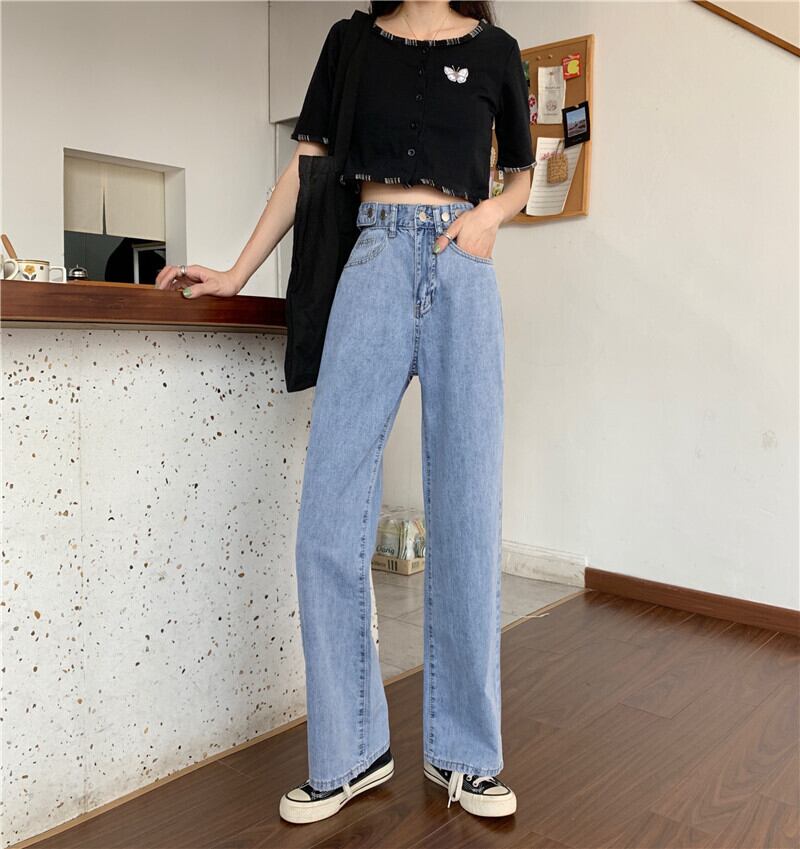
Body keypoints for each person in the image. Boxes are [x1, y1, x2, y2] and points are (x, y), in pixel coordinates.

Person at [156, 0, 534, 825]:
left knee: (468, 515)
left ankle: (466, 752)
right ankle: (352, 748)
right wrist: (236, 271)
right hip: (373, 260)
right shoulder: (350, 42)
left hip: (462, 269)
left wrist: (488, 218)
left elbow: (521, 174)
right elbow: (307, 166)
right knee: (327, 519)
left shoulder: (499, 51)